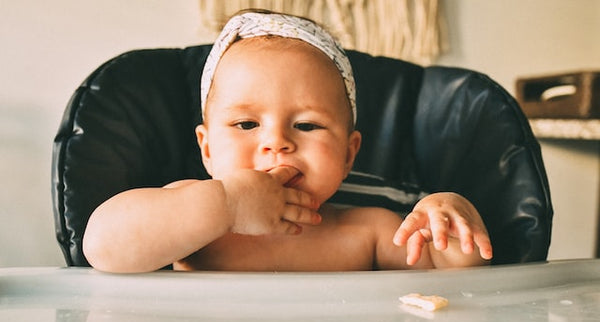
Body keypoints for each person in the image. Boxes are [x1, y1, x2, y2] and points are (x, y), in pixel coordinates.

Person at [83, 10, 493, 273]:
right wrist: (226, 204)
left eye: (308, 126)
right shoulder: (190, 212)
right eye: (246, 124)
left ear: (349, 154)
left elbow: (456, 278)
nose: (277, 143)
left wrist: (450, 221)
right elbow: (102, 248)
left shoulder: (365, 230)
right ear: (207, 149)